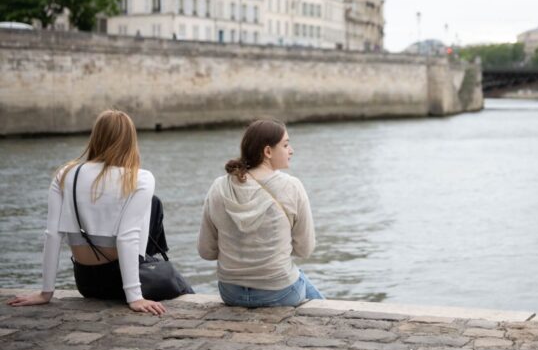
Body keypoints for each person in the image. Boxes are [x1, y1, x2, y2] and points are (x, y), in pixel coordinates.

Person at [8, 110, 173, 315]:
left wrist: (46, 292)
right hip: (120, 280)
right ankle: (152, 260)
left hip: (85, 282)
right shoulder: (141, 178)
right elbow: (127, 236)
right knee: (176, 280)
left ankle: (150, 261)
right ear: (130, 140)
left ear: (96, 136)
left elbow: (52, 234)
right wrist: (135, 297)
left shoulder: (65, 174)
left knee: (151, 202)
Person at [198, 118, 324, 307]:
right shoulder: (291, 187)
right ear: (267, 151)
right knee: (311, 292)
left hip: (230, 292)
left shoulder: (219, 187)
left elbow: (206, 251)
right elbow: (304, 249)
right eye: (286, 145)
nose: (291, 150)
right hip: (279, 292)